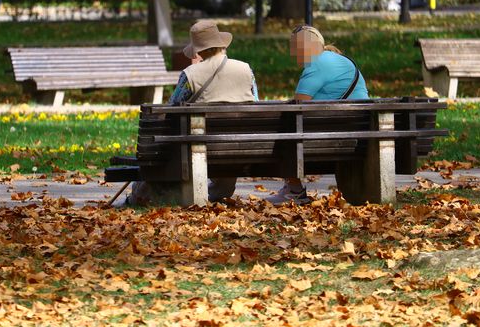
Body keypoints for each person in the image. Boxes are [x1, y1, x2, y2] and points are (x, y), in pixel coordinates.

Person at [126, 20, 259, 206]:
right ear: (221, 43)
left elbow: (170, 112)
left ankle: (138, 197)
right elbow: (256, 105)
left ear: (199, 50)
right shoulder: (246, 70)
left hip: (197, 149)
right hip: (239, 147)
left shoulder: (191, 74)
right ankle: (217, 193)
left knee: (164, 142)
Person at [266, 25, 370, 206]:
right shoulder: (340, 60)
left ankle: (294, 189)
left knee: (284, 126)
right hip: (361, 131)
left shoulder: (316, 64)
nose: (292, 54)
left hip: (331, 135)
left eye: (295, 47)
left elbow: (296, 106)